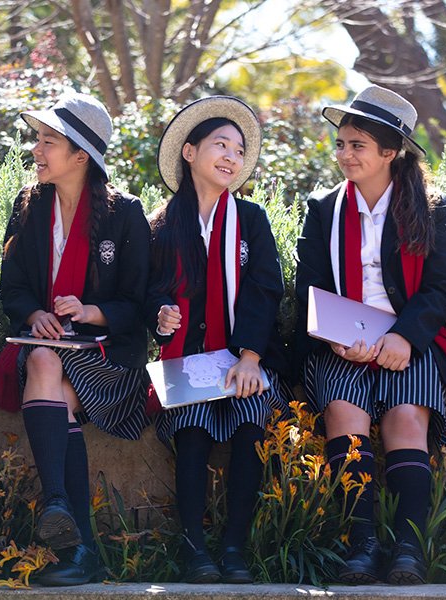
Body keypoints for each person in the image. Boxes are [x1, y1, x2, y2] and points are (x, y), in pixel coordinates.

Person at [295, 85, 446, 585]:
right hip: (341, 340)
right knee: (345, 417)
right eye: (342, 144)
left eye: (357, 146)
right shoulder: (324, 208)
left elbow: (440, 284)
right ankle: (361, 544)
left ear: (390, 152)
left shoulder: (429, 208)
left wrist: (407, 338)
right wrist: (333, 336)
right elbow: (309, 284)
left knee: (405, 420)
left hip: (406, 338)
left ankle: (408, 548)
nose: (345, 154)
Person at [0, 93, 150, 586]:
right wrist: (36, 312)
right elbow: (11, 286)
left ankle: (66, 523)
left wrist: (91, 311)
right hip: (45, 348)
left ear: (81, 155)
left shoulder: (124, 213)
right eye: (37, 140)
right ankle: (72, 534)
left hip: (105, 356)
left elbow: (139, 301)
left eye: (48, 141)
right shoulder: (28, 206)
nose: (36, 150)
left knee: (57, 380)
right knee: (45, 364)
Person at [147, 96, 288, 583]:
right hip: (188, 360)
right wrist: (159, 313)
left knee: (250, 426)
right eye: (220, 145)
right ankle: (194, 550)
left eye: (239, 149)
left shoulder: (251, 220)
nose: (231, 156)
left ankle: (234, 549)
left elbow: (266, 288)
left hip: (244, 355)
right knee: (194, 431)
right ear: (189, 152)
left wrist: (251, 357)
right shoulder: (164, 225)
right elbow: (150, 288)